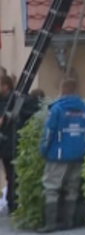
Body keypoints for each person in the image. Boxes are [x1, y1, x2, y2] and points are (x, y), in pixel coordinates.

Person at [38, 79, 85, 233]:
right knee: (72, 188)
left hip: (58, 154)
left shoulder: (57, 109)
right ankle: (69, 221)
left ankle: (51, 223)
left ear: (62, 90)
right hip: (79, 154)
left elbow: (49, 133)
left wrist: (44, 150)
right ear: (76, 90)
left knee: (51, 187)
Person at [0, 83, 43, 214]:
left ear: (5, 86)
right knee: (11, 175)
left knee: (13, 175)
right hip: (6, 144)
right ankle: (12, 202)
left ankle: (13, 203)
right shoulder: (8, 101)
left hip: (12, 145)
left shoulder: (18, 101)